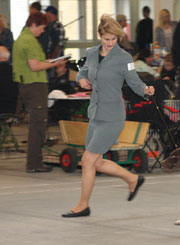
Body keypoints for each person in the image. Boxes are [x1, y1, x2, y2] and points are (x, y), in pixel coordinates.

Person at [62, 15, 154, 218]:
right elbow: (82, 71)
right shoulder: (92, 53)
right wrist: (82, 79)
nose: (111, 43)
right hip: (95, 113)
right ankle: (132, 179)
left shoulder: (124, 58)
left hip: (113, 116)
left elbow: (134, 81)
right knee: (97, 161)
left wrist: (146, 90)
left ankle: (83, 205)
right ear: (100, 36)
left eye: (114, 39)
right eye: (107, 39)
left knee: (87, 160)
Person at [12, 12, 68, 173]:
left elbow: (38, 62)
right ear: (34, 25)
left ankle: (35, 161)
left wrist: (56, 61)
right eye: (42, 28)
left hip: (30, 84)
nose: (42, 31)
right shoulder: (28, 41)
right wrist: (53, 65)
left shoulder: (23, 38)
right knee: (38, 124)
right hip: (34, 85)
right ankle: (34, 163)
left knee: (38, 124)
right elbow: (35, 66)